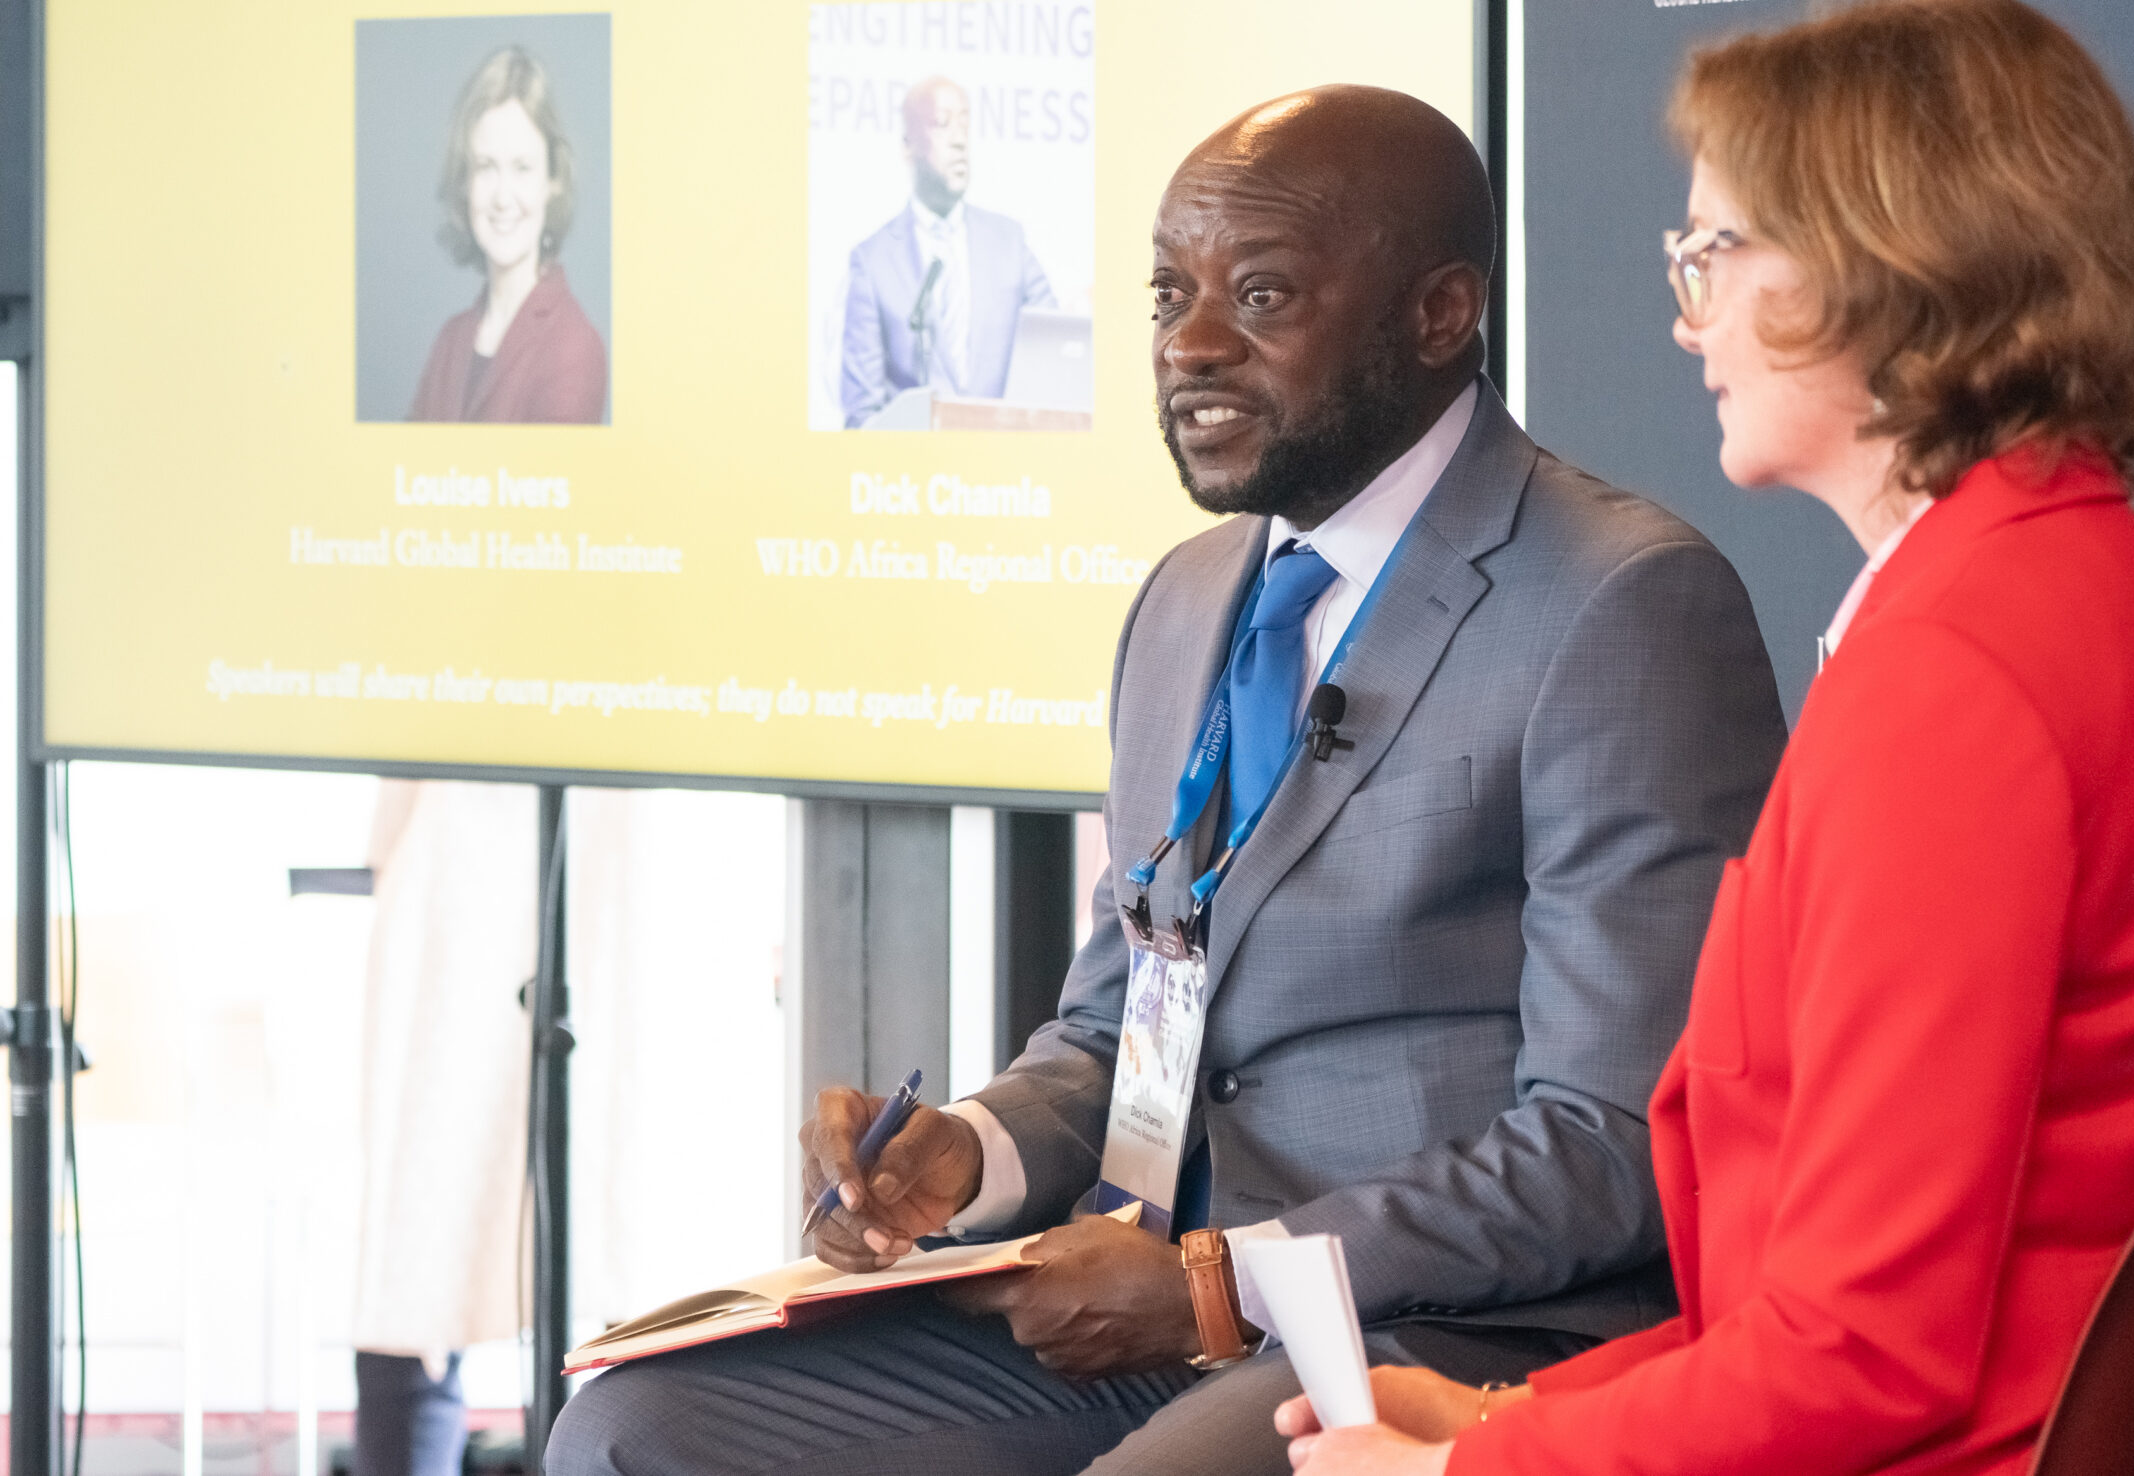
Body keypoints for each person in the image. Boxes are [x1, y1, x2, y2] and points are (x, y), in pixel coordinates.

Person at [547, 86, 1789, 1475]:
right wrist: (967, 1153)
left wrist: (1225, 1281)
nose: (1190, 345)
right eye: (1166, 296)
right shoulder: (1187, 599)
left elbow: (1615, 1140)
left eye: (1260, 296)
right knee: (637, 1432)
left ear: (1440, 314)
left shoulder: (1617, 602)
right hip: (1147, 1301)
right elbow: (1121, 1021)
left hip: (1449, 1328)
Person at [1275, 0, 2134, 1474]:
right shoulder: (2100, 584)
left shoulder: (1958, 670)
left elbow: (1864, 1354)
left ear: (1887, 262)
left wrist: (1468, 1472)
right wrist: (1514, 1418)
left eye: (1717, 252)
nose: (1686, 318)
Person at [839, 76, 1057, 426]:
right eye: (942, 124)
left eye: (964, 124)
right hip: (911, 460)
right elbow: (862, 416)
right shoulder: (872, 261)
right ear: (908, 145)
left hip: (1004, 457)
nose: (959, 140)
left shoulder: (1009, 242)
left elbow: (1057, 347)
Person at [407, 46, 608, 424]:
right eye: (486, 167)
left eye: (522, 168)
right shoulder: (449, 342)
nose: (502, 197)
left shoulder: (574, 347)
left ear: (552, 181)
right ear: (465, 181)